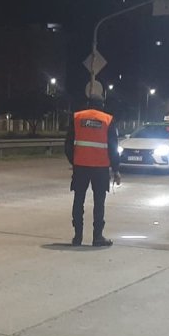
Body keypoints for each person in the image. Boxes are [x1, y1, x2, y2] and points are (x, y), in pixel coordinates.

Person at [65, 94, 121, 247]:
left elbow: (68, 144)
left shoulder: (77, 117)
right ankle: (97, 237)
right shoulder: (107, 120)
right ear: (102, 105)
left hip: (81, 167)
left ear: (88, 104)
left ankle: (77, 236)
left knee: (78, 201)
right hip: (100, 168)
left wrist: (75, 161)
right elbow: (113, 147)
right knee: (99, 202)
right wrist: (115, 169)